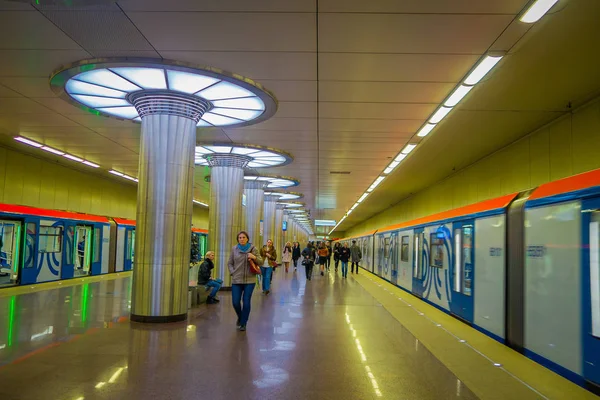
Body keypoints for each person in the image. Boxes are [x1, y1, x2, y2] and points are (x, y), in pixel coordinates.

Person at [228, 231, 263, 332]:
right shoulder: (234, 249)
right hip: (237, 279)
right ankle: (241, 317)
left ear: (247, 239)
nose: (242, 239)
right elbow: (230, 263)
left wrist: (254, 257)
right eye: (240, 238)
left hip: (250, 280)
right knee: (235, 302)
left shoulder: (253, 249)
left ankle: (243, 323)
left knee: (246, 301)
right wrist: (232, 272)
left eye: (244, 237)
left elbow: (260, 261)